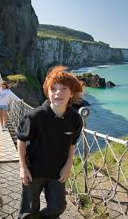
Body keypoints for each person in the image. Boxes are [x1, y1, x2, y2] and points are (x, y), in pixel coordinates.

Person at [17, 66, 84, 219]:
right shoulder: (34, 117)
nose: (58, 93)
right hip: (33, 171)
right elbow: (21, 141)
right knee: (28, 209)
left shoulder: (75, 119)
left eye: (64, 88)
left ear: (72, 93)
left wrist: (68, 165)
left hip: (57, 172)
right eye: (53, 89)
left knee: (58, 207)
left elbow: (72, 143)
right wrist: (22, 167)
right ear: (47, 92)